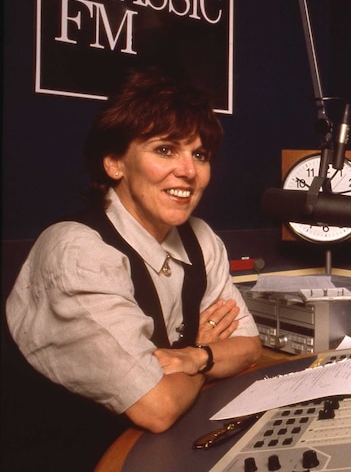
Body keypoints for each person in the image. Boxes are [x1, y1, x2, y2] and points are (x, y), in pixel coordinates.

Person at [3, 67, 262, 470]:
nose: (189, 171)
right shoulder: (76, 251)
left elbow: (248, 347)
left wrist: (193, 357)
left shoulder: (201, 237)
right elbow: (155, 407)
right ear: (114, 163)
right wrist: (206, 355)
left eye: (200, 155)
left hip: (162, 449)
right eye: (165, 150)